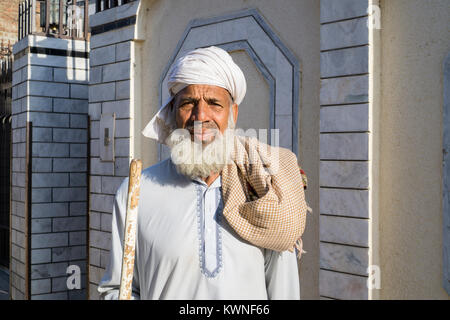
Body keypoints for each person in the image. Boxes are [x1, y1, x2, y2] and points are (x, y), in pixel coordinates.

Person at [98, 46, 308, 300]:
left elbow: (284, 293)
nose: (200, 116)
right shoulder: (137, 191)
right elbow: (117, 290)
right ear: (173, 112)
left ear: (233, 113)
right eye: (188, 103)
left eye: (214, 103)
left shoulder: (264, 191)